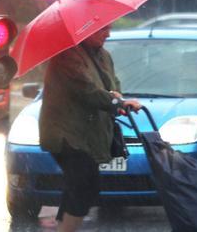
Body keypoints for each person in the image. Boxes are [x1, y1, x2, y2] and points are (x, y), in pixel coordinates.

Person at [39, 24, 142, 232]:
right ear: (86, 29)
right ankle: (66, 228)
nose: (108, 34)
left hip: (87, 133)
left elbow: (113, 84)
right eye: (103, 30)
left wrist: (118, 97)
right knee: (84, 183)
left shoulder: (102, 55)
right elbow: (86, 90)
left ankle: (63, 226)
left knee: (78, 184)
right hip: (65, 133)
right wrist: (117, 103)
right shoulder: (67, 56)